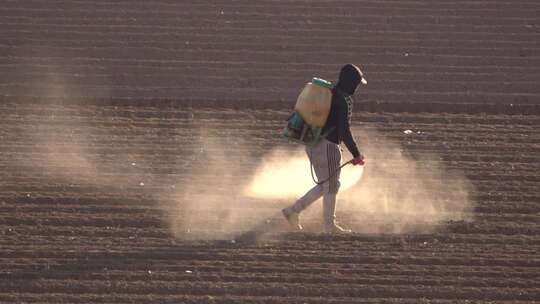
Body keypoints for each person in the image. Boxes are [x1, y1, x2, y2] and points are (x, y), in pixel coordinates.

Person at [282, 64, 366, 233]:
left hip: (313, 145)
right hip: (328, 147)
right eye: (356, 85)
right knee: (331, 186)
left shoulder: (328, 94)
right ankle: (329, 226)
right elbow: (344, 130)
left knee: (325, 185)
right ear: (350, 84)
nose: (356, 89)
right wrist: (356, 153)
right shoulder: (342, 101)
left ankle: (293, 211)